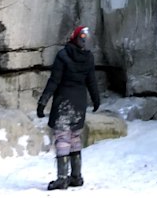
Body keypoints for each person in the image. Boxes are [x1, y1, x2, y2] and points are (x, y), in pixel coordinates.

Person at [37, 25, 101, 190]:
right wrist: (96, 99)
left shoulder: (63, 55)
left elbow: (54, 81)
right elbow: (92, 81)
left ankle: (62, 178)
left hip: (64, 102)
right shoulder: (88, 57)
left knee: (63, 138)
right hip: (79, 103)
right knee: (75, 137)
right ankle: (76, 176)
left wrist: (43, 102)